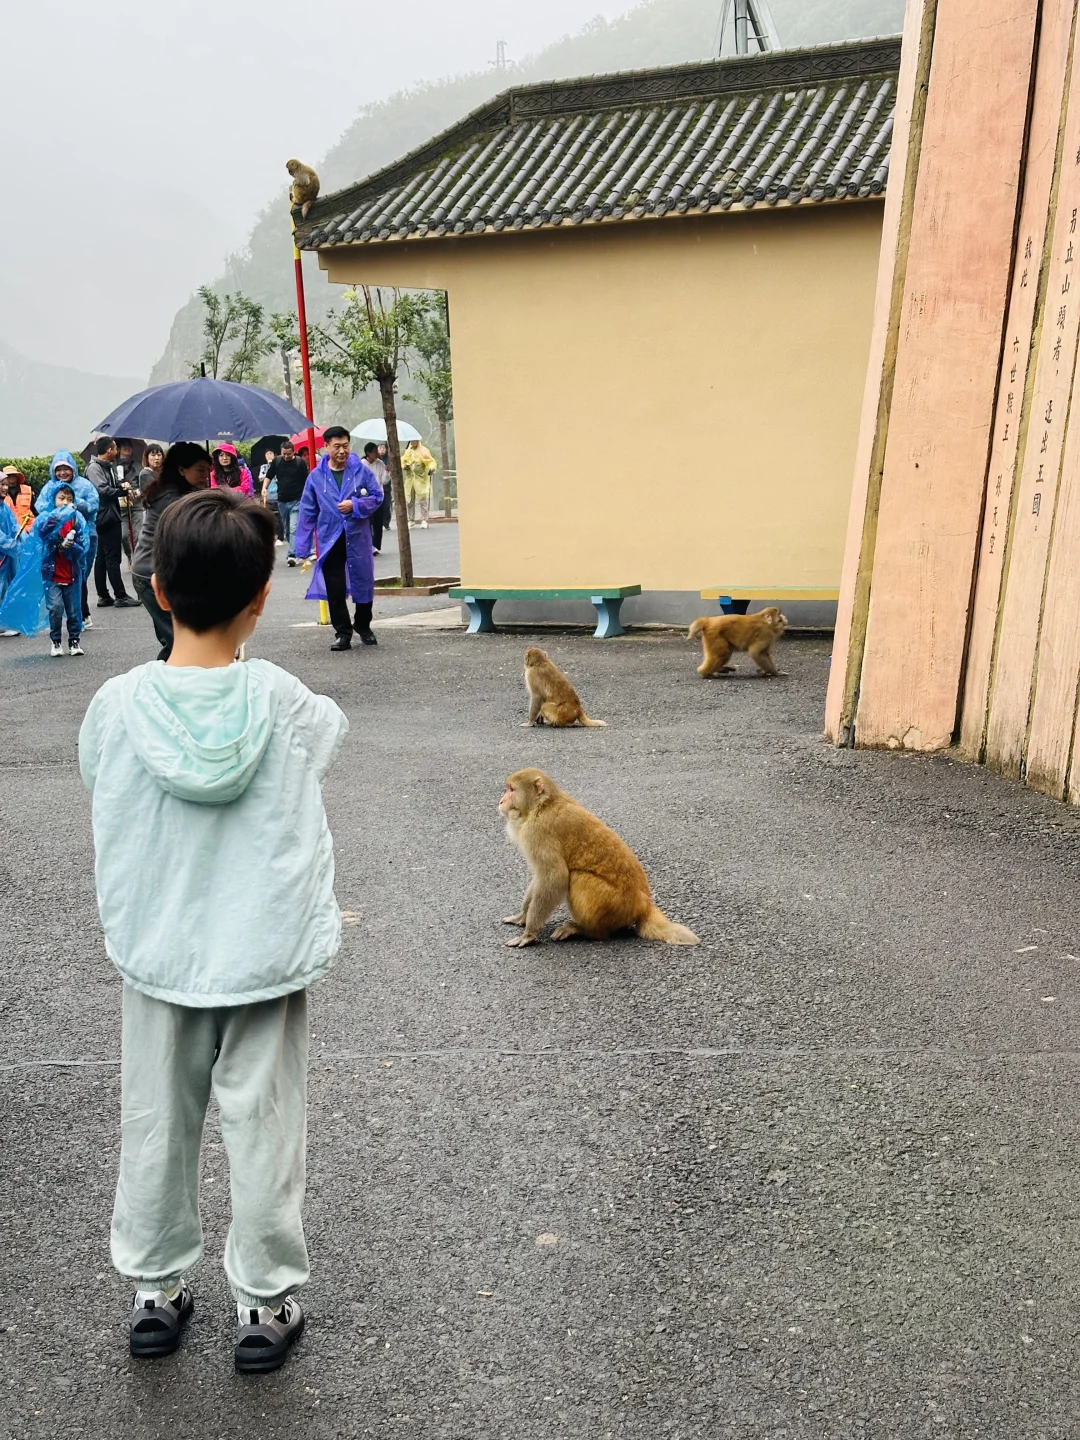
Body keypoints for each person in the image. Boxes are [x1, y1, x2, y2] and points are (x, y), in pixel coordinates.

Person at [79, 487, 348, 1373]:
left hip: (159, 953)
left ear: (156, 588)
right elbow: (327, 740)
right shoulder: (284, 700)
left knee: (157, 1120)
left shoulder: (116, 708)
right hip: (262, 956)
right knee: (266, 1128)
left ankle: (156, 1292)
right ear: (261, 598)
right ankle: (265, 1304)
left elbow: (98, 779)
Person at [294, 425, 382, 651]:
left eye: (345, 446)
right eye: (337, 447)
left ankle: (363, 626)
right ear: (326, 447)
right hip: (330, 537)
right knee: (334, 586)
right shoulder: (316, 476)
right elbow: (307, 511)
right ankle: (342, 632)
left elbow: (377, 496)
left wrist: (356, 505)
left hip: (357, 535)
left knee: (364, 580)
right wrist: (301, 546)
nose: (342, 451)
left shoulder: (360, 471)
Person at [131, 442, 212, 661]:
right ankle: (160, 686)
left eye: (208, 470)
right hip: (151, 574)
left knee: (183, 638)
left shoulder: (182, 492)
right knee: (179, 641)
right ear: (181, 470)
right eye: (200, 470)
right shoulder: (172, 498)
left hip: (163, 571)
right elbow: (189, 535)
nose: (205, 475)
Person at [37, 481, 89, 657]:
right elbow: (43, 534)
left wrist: (70, 545)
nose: (65, 502)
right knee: (55, 608)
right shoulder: (48, 518)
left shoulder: (76, 520)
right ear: (54, 499)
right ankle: (56, 641)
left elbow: (82, 548)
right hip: (52, 574)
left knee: (74, 610)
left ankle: (74, 641)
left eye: (69, 498)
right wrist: (59, 539)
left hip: (72, 574)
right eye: (61, 498)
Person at [87, 436, 137, 607]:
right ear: (109, 450)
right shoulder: (94, 468)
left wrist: (122, 485)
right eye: (115, 448)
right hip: (105, 516)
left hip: (109, 514)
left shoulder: (107, 466)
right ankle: (120, 595)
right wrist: (121, 492)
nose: (116, 452)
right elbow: (103, 490)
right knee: (112, 556)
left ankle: (104, 595)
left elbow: (113, 485)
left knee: (102, 555)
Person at [264, 438, 309, 565]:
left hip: (297, 500)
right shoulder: (277, 462)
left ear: (294, 452)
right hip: (282, 500)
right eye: (284, 453)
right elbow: (269, 476)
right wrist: (264, 488)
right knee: (288, 529)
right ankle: (294, 549)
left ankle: (292, 554)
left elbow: (306, 481)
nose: (286, 456)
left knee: (294, 527)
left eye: (289, 454)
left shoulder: (300, 463)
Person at [116, 439, 144, 561]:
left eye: (129, 446)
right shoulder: (113, 466)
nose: (127, 448)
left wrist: (138, 491)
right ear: (118, 449)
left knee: (138, 534)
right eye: (124, 446)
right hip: (121, 506)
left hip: (137, 504)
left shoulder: (138, 465)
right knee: (123, 536)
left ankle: (137, 559)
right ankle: (129, 555)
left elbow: (145, 484)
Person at [401, 438, 437, 529]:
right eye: (411, 440)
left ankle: (424, 519)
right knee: (409, 500)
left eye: (415, 440)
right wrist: (405, 466)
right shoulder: (407, 451)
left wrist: (431, 468)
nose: (413, 442)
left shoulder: (424, 451)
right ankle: (411, 520)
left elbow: (430, 461)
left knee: (422, 500)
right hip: (410, 480)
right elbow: (403, 461)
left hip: (421, 480)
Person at [365, 442, 392, 554]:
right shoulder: (362, 464)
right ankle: (368, 544)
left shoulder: (380, 463)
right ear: (368, 453)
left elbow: (384, 481)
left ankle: (376, 545)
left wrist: (387, 470)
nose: (377, 453)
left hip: (378, 496)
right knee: (368, 522)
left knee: (377, 522)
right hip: (366, 497)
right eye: (375, 451)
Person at [2, 465, 34, 534]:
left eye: (13, 475)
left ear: (17, 477)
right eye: (8, 476)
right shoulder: (1, 493)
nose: (11, 478)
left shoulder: (28, 490)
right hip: (11, 532)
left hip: (30, 530)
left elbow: (36, 511)